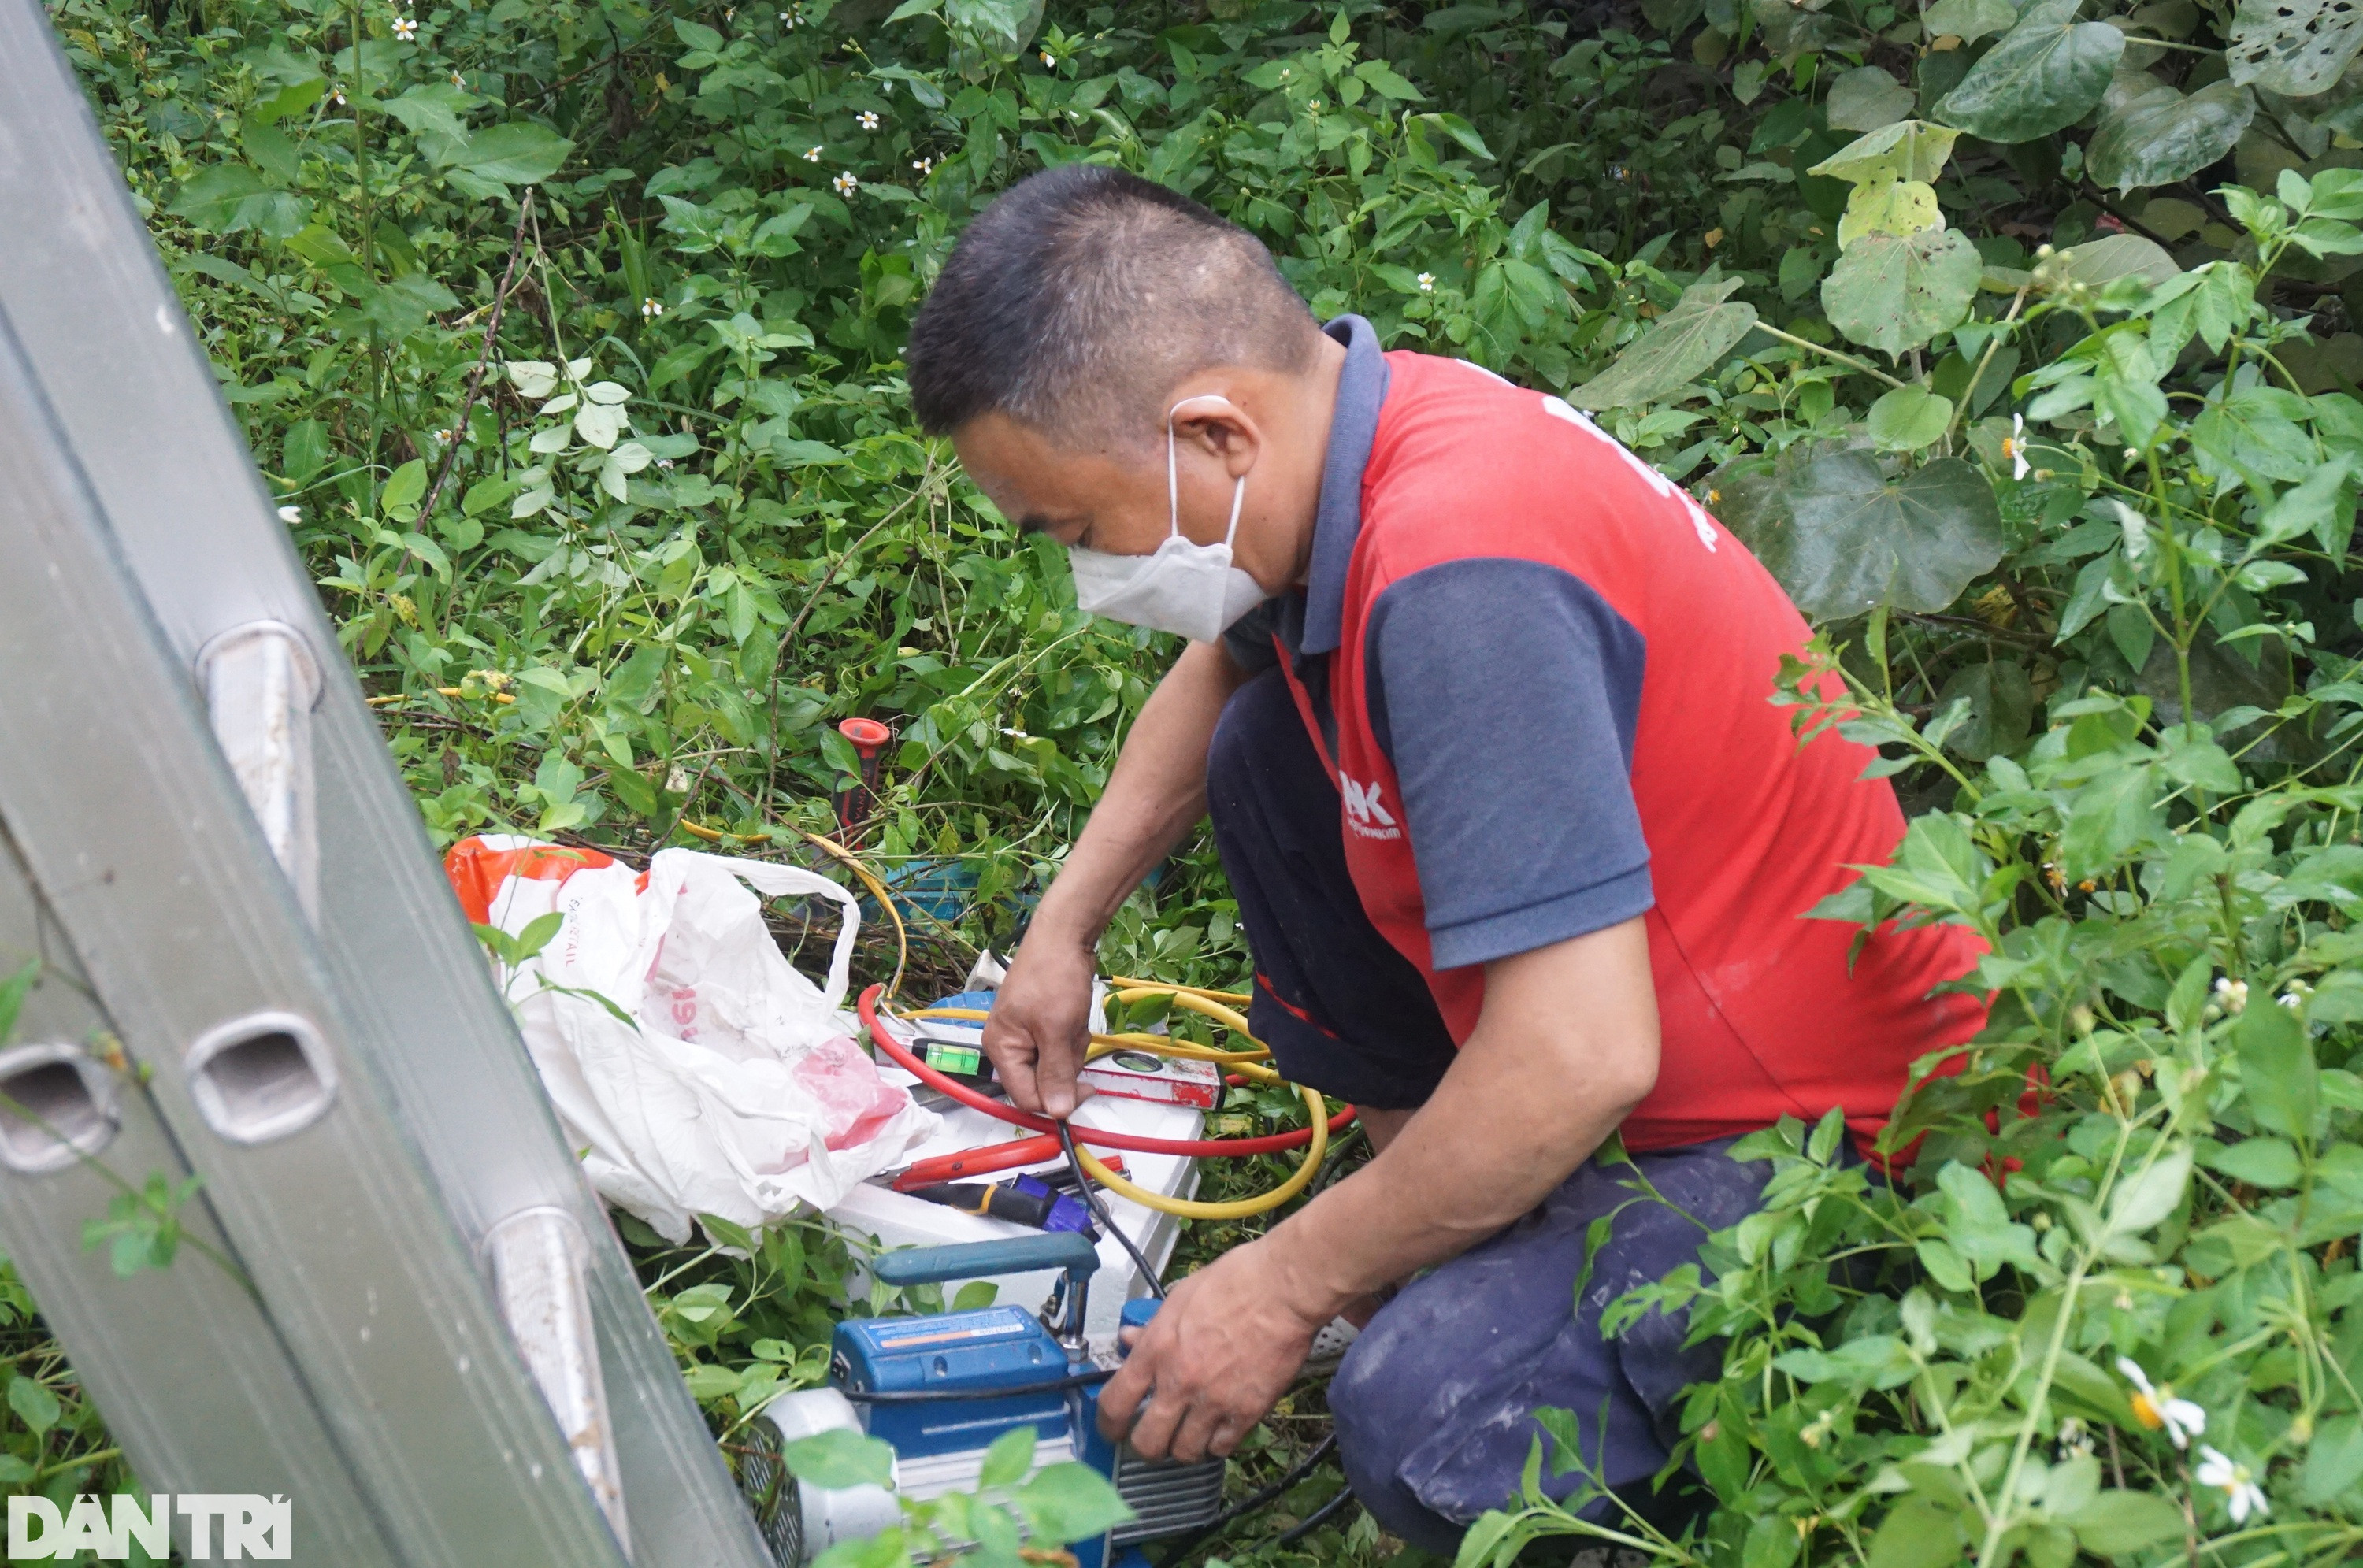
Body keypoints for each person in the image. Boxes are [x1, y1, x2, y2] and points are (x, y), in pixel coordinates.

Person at [901, 164, 1985, 1551]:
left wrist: (1284, 1283)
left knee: (1426, 1412)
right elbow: (1219, 671)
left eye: (1076, 527)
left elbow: (1581, 1058)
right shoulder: (1364, 427)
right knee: (1267, 756)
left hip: (1823, 1143)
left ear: (1213, 432)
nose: (1089, 572)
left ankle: (1712, 1450)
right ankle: (1471, 1219)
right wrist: (1064, 932)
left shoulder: (1463, 576)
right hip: (1639, 1027)